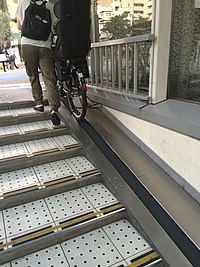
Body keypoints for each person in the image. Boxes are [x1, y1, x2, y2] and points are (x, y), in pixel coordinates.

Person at [15, 0, 61, 125]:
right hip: (45, 45)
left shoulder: (24, 2)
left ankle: (39, 103)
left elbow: (19, 26)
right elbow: (55, 26)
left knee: (33, 75)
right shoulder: (50, 6)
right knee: (49, 77)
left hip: (28, 45)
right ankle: (54, 110)